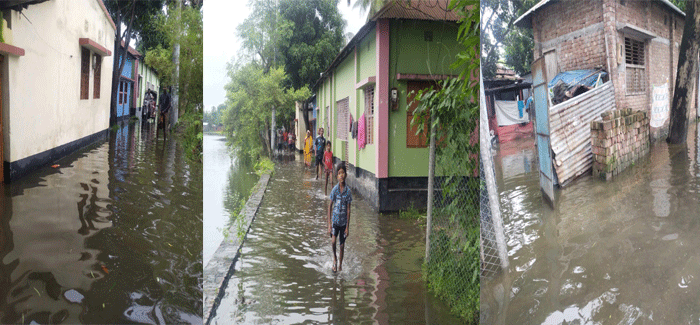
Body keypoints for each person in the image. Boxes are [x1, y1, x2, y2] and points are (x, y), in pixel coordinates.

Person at [327, 163, 351, 273]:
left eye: (343, 173)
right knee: (333, 241)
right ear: (337, 176)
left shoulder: (348, 192)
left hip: (343, 223)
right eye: (339, 173)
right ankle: (335, 259)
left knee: (341, 246)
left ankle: (340, 265)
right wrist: (329, 225)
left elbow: (348, 210)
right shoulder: (335, 190)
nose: (341, 175)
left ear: (345, 175)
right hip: (335, 222)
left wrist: (347, 227)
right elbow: (329, 207)